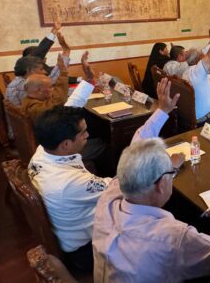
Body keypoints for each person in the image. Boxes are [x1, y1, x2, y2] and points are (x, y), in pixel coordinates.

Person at [29, 78, 180, 273]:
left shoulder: (44, 149)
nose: (88, 135)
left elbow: (72, 104)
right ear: (66, 144)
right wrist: (169, 167)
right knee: (154, 198)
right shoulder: (70, 183)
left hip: (70, 231)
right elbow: (129, 182)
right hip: (86, 250)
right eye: (83, 133)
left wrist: (89, 81)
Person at [92, 140, 210, 282]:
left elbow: (125, 173)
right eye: (171, 174)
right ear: (160, 185)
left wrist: (168, 168)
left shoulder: (106, 199)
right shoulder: (172, 237)